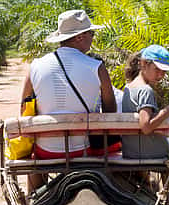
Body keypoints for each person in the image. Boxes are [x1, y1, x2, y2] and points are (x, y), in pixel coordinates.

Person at [20, 9, 118, 194]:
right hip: (84, 149)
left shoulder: (35, 66)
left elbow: (24, 109)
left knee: (34, 156)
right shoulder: (97, 67)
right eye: (91, 34)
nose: (92, 38)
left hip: (46, 150)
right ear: (80, 37)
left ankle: (31, 200)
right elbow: (110, 112)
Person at [121, 44, 169, 159]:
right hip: (147, 152)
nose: (161, 75)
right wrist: (168, 110)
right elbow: (146, 127)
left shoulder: (129, 87)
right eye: (157, 69)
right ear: (143, 64)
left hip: (130, 150)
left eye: (164, 71)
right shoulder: (145, 90)